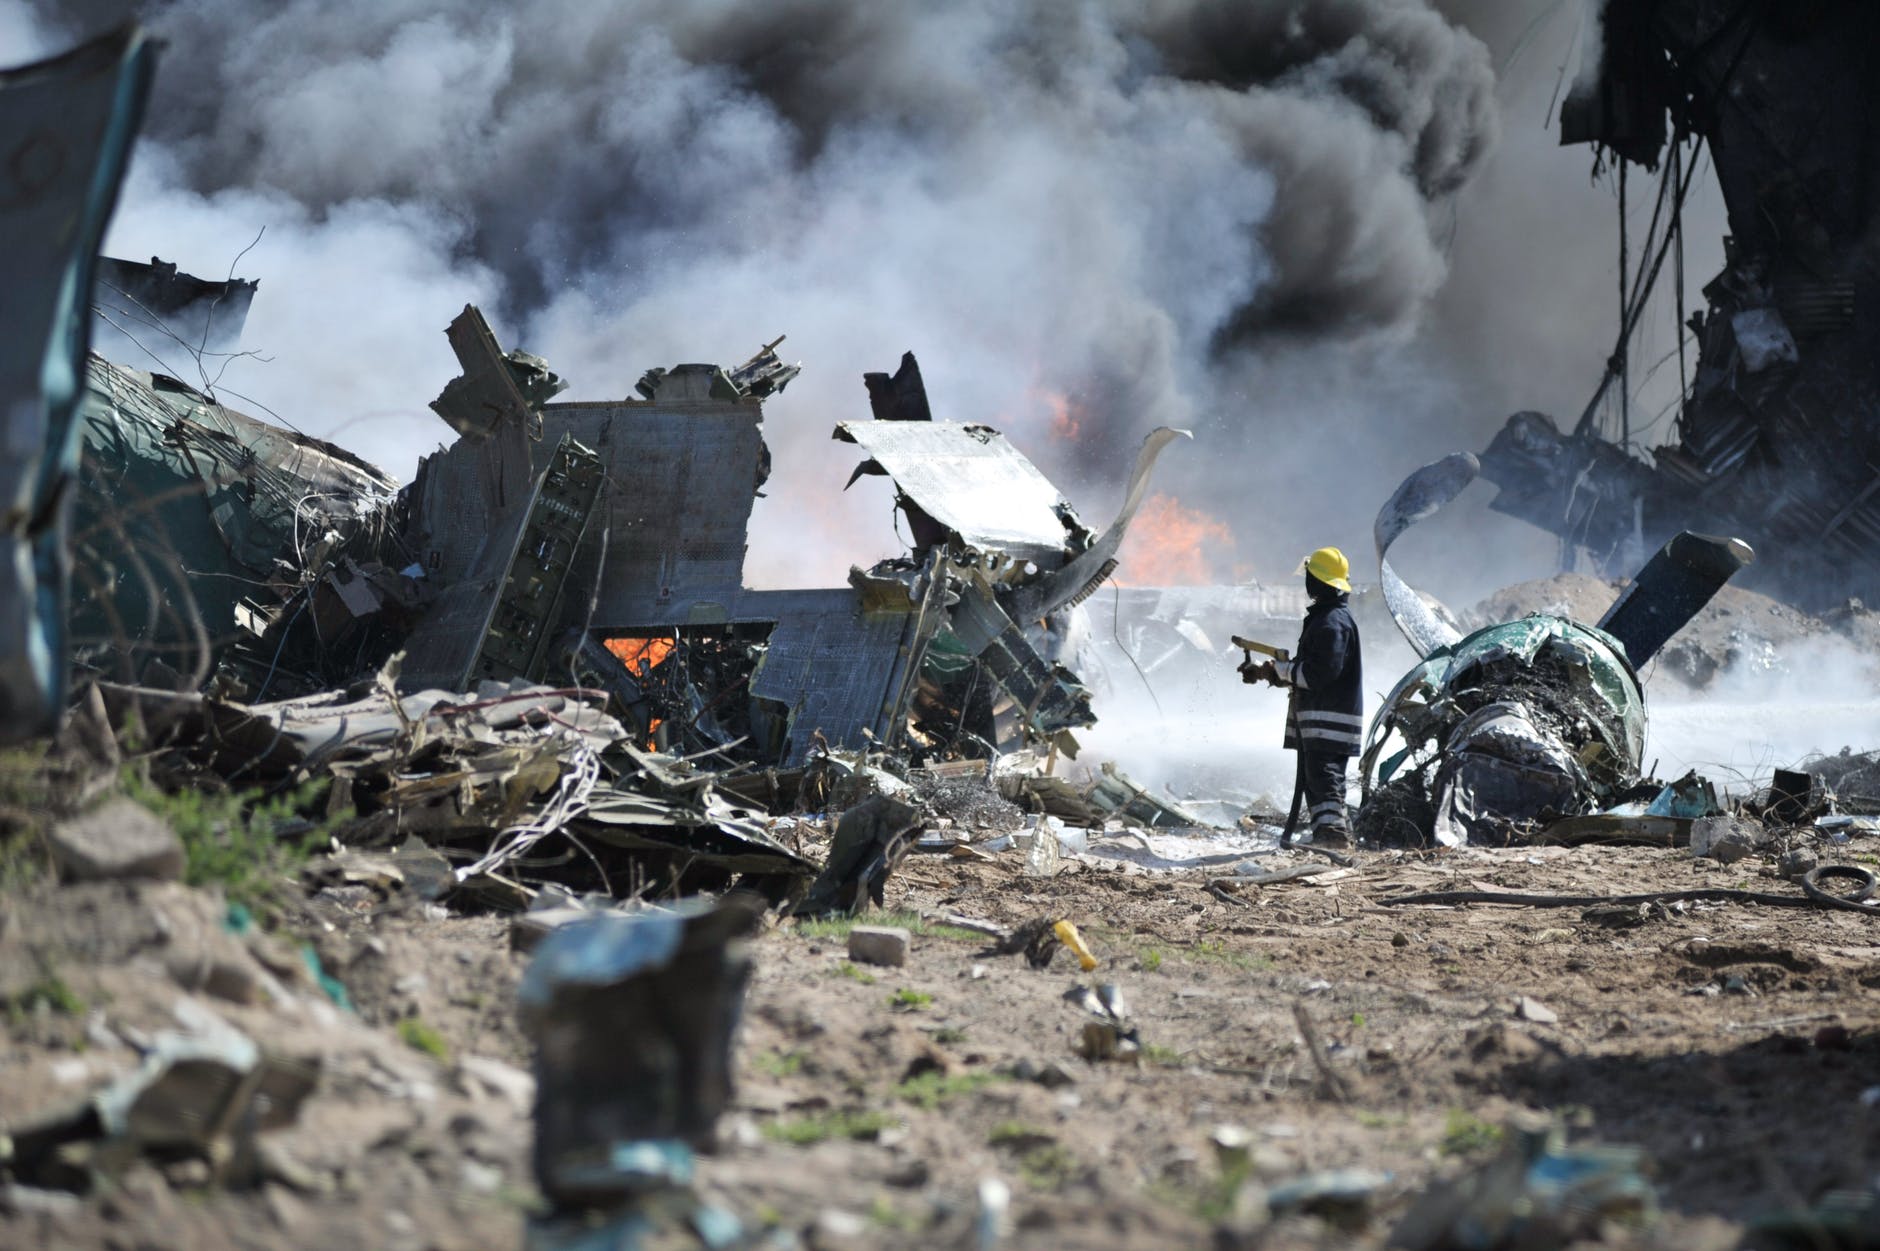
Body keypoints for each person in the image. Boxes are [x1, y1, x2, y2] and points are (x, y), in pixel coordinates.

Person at [1243, 547, 1364, 845]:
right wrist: (1268, 671)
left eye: (1310, 576)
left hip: (1328, 719)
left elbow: (1318, 674)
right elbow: (1308, 670)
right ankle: (1328, 832)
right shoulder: (1328, 618)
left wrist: (1282, 671)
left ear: (1321, 582)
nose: (1306, 582)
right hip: (1325, 719)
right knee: (1320, 777)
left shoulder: (1331, 623)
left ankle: (1332, 835)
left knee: (1324, 776)